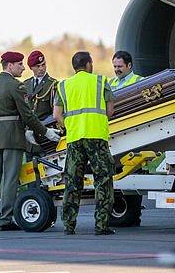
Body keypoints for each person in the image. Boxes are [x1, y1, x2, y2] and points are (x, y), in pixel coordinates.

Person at [0, 51, 61, 231]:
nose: (23, 68)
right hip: (12, 135)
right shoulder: (17, 86)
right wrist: (45, 131)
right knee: (10, 178)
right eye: (20, 64)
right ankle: (5, 219)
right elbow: (28, 115)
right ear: (10, 65)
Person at [54, 51, 116, 236]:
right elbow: (110, 110)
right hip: (97, 136)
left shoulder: (63, 85)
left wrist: (71, 125)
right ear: (89, 64)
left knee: (73, 182)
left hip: (74, 138)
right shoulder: (101, 82)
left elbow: (57, 115)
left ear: (74, 66)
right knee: (103, 180)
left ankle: (69, 225)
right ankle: (101, 225)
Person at [22, 50, 58, 157]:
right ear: (31, 68)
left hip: (46, 134)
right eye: (38, 66)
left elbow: (55, 113)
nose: (42, 68)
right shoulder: (25, 85)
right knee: (30, 169)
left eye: (43, 64)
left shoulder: (52, 84)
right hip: (29, 135)